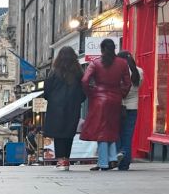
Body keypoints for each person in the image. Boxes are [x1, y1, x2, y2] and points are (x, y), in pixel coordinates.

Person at [81, 38, 132, 171]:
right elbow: (128, 83)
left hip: (99, 99)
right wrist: (121, 94)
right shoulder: (122, 63)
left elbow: (85, 80)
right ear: (114, 48)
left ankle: (103, 161)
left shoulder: (95, 63)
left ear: (102, 49)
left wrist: (91, 93)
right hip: (115, 98)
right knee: (112, 129)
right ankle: (112, 158)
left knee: (101, 131)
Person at [42, 46, 86, 171]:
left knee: (58, 134)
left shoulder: (54, 72)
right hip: (73, 107)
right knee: (69, 133)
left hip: (56, 108)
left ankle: (61, 160)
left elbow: (47, 91)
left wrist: (52, 99)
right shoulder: (79, 72)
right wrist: (77, 101)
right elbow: (83, 91)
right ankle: (66, 159)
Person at [116, 51, 143, 171]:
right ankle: (125, 163)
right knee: (128, 136)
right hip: (133, 108)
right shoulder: (139, 71)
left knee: (117, 134)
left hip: (120, 106)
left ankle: (119, 155)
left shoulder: (119, 71)